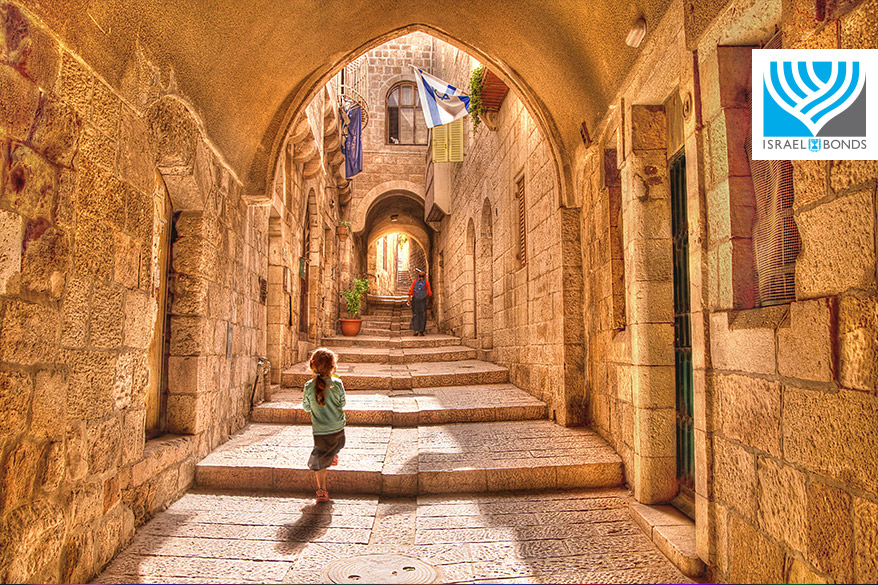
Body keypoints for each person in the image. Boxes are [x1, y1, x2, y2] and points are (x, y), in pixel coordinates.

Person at [302, 348, 346, 502]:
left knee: (320, 461)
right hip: (338, 429)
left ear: (312, 365)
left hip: (320, 431)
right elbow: (343, 403)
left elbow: (306, 407)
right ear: (332, 367)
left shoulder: (309, 386)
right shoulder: (337, 383)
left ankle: (322, 490)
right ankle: (332, 454)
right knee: (336, 446)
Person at [407, 268, 432, 336]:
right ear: (424, 277)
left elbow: (411, 291)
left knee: (415, 315)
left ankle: (415, 331)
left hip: (415, 300)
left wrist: (409, 300)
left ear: (418, 276)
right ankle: (421, 331)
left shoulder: (415, 282)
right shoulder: (426, 282)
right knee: (423, 315)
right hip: (422, 301)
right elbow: (429, 293)